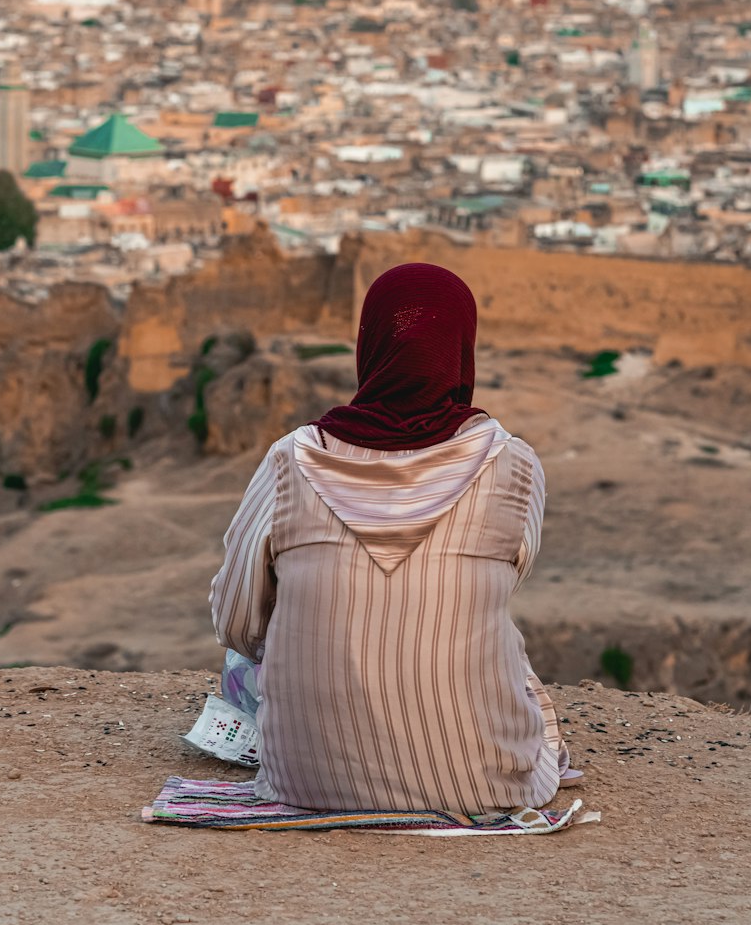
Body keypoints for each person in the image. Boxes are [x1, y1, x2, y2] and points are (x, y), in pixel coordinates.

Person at [209, 262, 579, 815]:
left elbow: (235, 621)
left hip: (306, 784)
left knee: (252, 664)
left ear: (371, 344)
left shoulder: (292, 458)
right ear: (459, 349)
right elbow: (504, 583)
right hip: (484, 789)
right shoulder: (514, 463)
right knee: (507, 660)